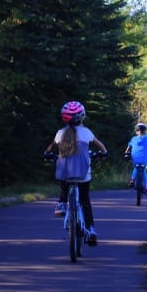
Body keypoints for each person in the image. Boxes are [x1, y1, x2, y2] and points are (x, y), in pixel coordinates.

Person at [44, 101, 107, 246]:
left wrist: (47, 154)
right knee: (85, 201)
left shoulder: (60, 133)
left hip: (65, 175)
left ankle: (61, 203)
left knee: (64, 182)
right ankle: (91, 229)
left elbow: (49, 149)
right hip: (83, 175)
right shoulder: (87, 132)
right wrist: (103, 153)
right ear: (82, 117)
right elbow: (102, 147)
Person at [124, 123, 147, 195]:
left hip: (135, 157)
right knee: (144, 170)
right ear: (145, 131)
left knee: (136, 168)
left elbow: (128, 147)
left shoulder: (133, 139)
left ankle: (132, 179)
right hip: (144, 158)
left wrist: (126, 153)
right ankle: (146, 187)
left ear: (136, 131)